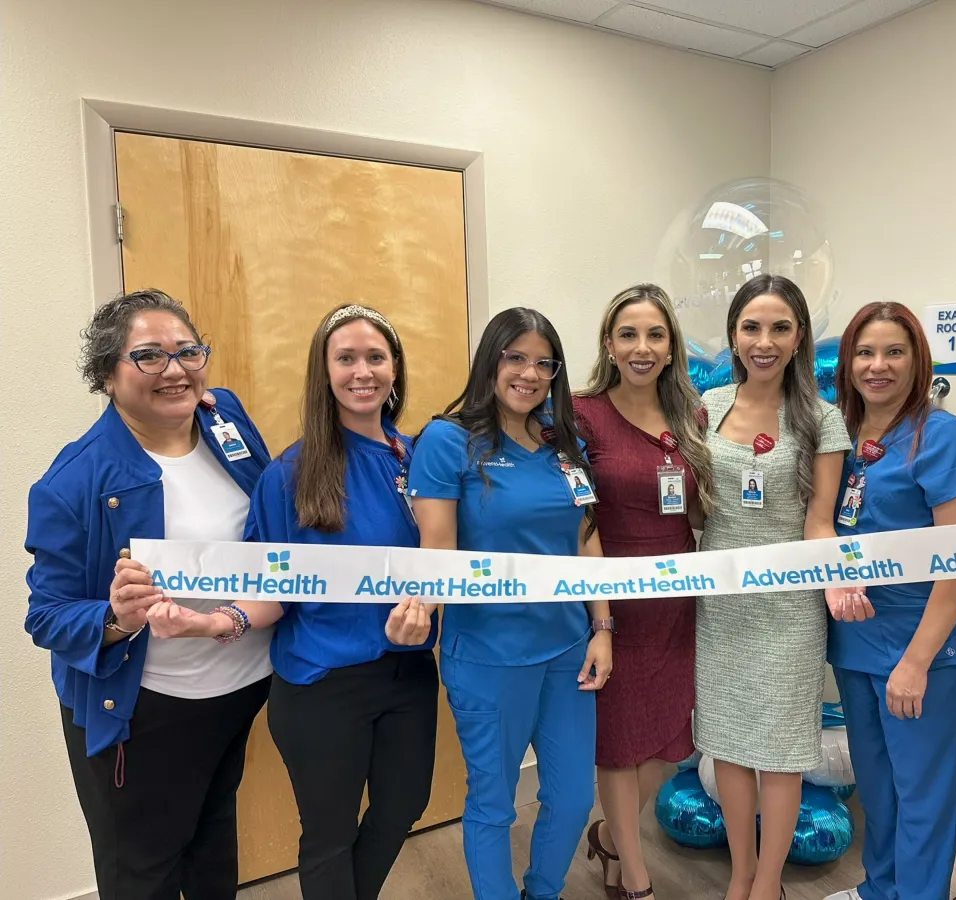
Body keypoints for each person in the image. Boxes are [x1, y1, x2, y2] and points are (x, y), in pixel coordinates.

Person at [148, 304, 439, 900]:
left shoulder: (422, 461)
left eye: (376, 357)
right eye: (346, 358)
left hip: (408, 674)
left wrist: (431, 610)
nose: (363, 371)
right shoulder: (291, 475)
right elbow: (272, 593)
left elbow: (447, 565)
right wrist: (211, 623)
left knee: (402, 807)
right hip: (322, 685)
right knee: (329, 836)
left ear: (395, 369)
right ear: (323, 372)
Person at [24, 289, 273, 900]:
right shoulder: (74, 479)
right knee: (143, 871)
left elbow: (268, 523)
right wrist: (116, 616)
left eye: (188, 352)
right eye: (150, 357)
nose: (176, 370)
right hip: (146, 712)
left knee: (212, 848)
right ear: (107, 375)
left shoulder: (225, 417)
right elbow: (46, 616)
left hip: (237, 691)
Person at [408, 307, 613, 900]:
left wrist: (602, 628)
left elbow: (585, 536)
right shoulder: (449, 442)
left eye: (543, 362)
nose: (529, 373)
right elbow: (436, 549)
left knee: (574, 796)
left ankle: (541, 891)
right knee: (494, 803)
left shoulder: (561, 442)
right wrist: (421, 602)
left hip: (568, 648)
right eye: (515, 358)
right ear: (491, 362)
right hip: (490, 655)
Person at [821, 302, 956, 900]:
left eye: (895, 352)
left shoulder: (942, 437)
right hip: (856, 641)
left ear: (919, 361)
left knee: (924, 793)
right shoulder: (840, 433)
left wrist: (915, 662)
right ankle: (879, 888)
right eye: (865, 352)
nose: (878, 365)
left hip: (924, 647)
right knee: (879, 785)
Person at [696, 274, 851, 900]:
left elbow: (821, 521)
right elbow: (695, 511)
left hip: (789, 605)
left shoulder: (822, 416)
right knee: (729, 743)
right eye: (751, 327)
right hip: (720, 600)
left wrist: (836, 583)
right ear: (734, 336)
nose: (764, 341)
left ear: (799, 338)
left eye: (779, 328)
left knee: (783, 749)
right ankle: (739, 875)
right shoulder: (706, 409)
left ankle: (767, 885)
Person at [573, 284, 713, 900]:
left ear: (671, 347)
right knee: (620, 740)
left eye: (655, 335)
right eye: (628, 334)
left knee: (669, 739)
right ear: (609, 344)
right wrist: (599, 615)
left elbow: (702, 510)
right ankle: (633, 873)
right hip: (613, 597)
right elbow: (579, 516)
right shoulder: (581, 414)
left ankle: (607, 834)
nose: (642, 347)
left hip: (678, 598)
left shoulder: (693, 416)